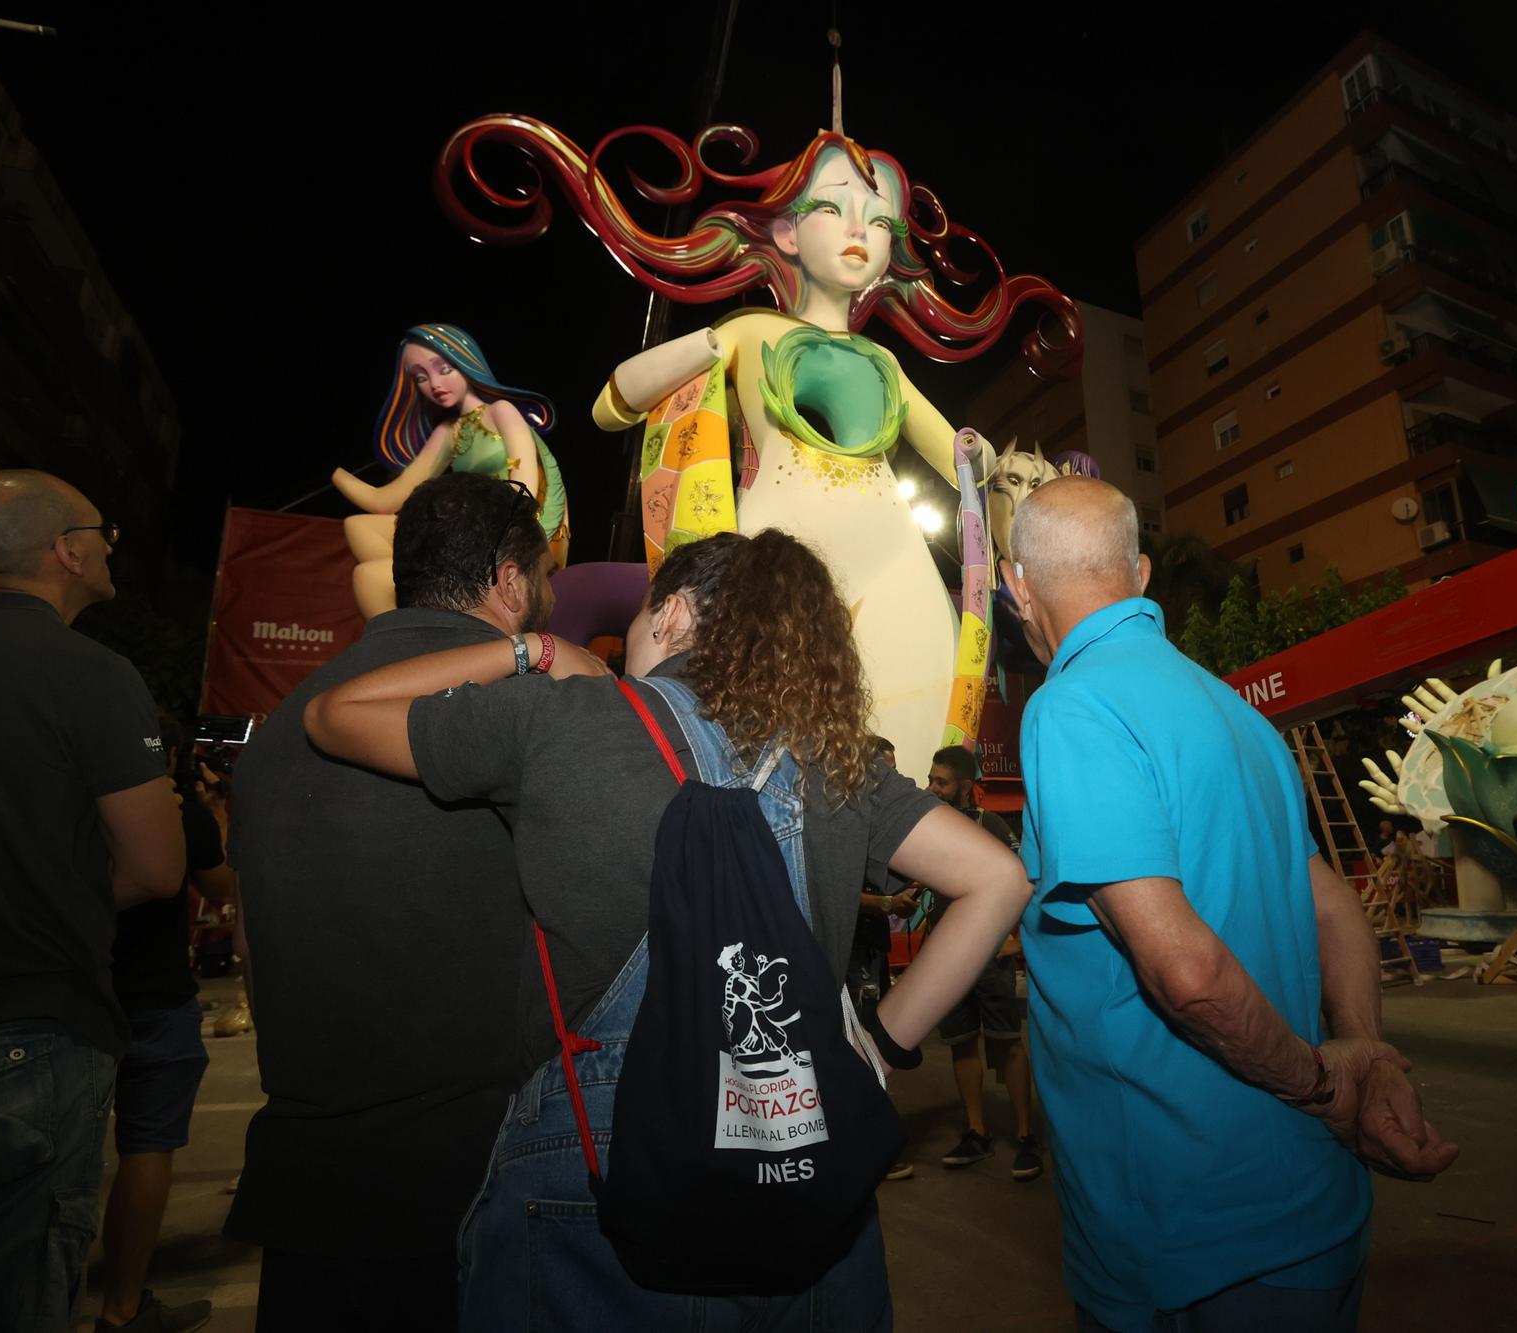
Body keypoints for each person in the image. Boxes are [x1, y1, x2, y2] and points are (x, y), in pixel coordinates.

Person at [302, 527, 1033, 1330]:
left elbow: (337, 713)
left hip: (597, 1177)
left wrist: (533, 652)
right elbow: (996, 879)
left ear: (676, 614)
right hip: (799, 1177)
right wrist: (879, 1047)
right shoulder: (838, 756)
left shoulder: (560, 717)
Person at [442, 116, 1080, 760]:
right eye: (834, 208)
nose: (861, 230)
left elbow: (968, 461)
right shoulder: (751, 332)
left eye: (880, 220)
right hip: (775, 558)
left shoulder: (885, 367)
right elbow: (612, 406)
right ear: (785, 230)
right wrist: (705, 347)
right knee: (756, 736)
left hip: (895, 560)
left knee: (906, 739)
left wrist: (982, 458)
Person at [1003, 476, 1458, 1333]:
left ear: (1017, 584)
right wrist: (1363, 1045)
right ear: (1138, 575)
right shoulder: (1242, 717)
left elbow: (1189, 974)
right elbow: (1335, 912)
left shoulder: (1070, 706)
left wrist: (1324, 1085)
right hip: (1317, 1216)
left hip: (1187, 1240)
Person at [224, 472, 555, 1331]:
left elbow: (254, 953)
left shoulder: (280, 725)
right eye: (542, 576)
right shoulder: (524, 705)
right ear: (510, 580)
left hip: (309, 1181)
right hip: (471, 1184)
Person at [0, 470, 185, 1333]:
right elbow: (157, 867)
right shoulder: (91, 676)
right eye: (101, 530)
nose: (112, 543)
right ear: (65, 550)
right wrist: (47, 897)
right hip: (29, 1037)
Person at [96, 712, 235, 1333]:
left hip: (79, 989)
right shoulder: (179, 811)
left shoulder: (72, 802)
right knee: (147, 1146)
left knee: (64, 1151)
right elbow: (221, 884)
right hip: (155, 994)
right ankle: (123, 1306)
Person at [331, 323, 570, 617]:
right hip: (476, 529)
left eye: (443, 369)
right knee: (358, 526)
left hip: (514, 529)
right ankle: (423, 605)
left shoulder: (501, 412)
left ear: (467, 363)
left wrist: (482, 535)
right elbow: (386, 500)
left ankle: (427, 617)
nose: (434, 384)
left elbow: (525, 490)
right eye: (421, 377)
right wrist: (334, 472)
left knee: (372, 576)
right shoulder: (449, 432)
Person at [921, 745, 1042, 1181]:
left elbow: (1024, 881)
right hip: (945, 960)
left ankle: (1026, 1138)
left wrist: (1013, 940)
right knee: (961, 1043)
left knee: (1007, 1042)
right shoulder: (928, 829)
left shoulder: (987, 825)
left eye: (941, 782)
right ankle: (977, 1133)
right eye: (931, 779)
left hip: (989, 960)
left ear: (966, 788)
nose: (932, 788)